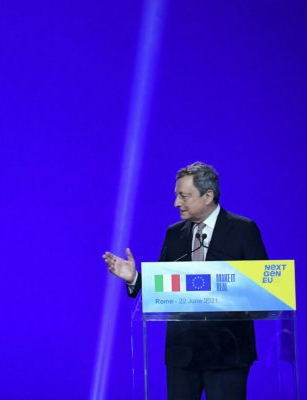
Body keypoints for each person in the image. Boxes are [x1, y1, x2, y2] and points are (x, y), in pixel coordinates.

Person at [103, 162, 267, 400]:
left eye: (184, 196)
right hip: (183, 354)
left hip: (227, 355)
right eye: (176, 195)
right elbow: (163, 289)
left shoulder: (243, 230)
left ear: (208, 195)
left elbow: (263, 291)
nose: (176, 203)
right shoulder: (174, 233)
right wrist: (135, 278)